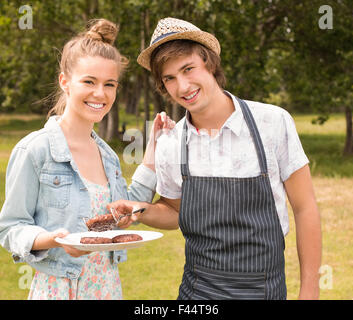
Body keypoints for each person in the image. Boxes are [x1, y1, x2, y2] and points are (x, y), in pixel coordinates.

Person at [109, 17, 322, 300]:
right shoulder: (172, 142)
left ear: (209, 63)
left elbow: (305, 207)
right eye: (169, 78)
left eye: (188, 69)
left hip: (265, 290)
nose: (182, 86)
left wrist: (310, 289)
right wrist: (141, 210)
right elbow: (174, 211)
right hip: (198, 292)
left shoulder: (272, 122)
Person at [0, 18, 174, 300]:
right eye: (89, 81)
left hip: (107, 288)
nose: (100, 94)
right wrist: (55, 240)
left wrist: (153, 147)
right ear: (65, 82)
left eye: (110, 84)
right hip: (59, 289)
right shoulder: (35, 151)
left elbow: (126, 211)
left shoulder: (107, 155)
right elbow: (10, 229)